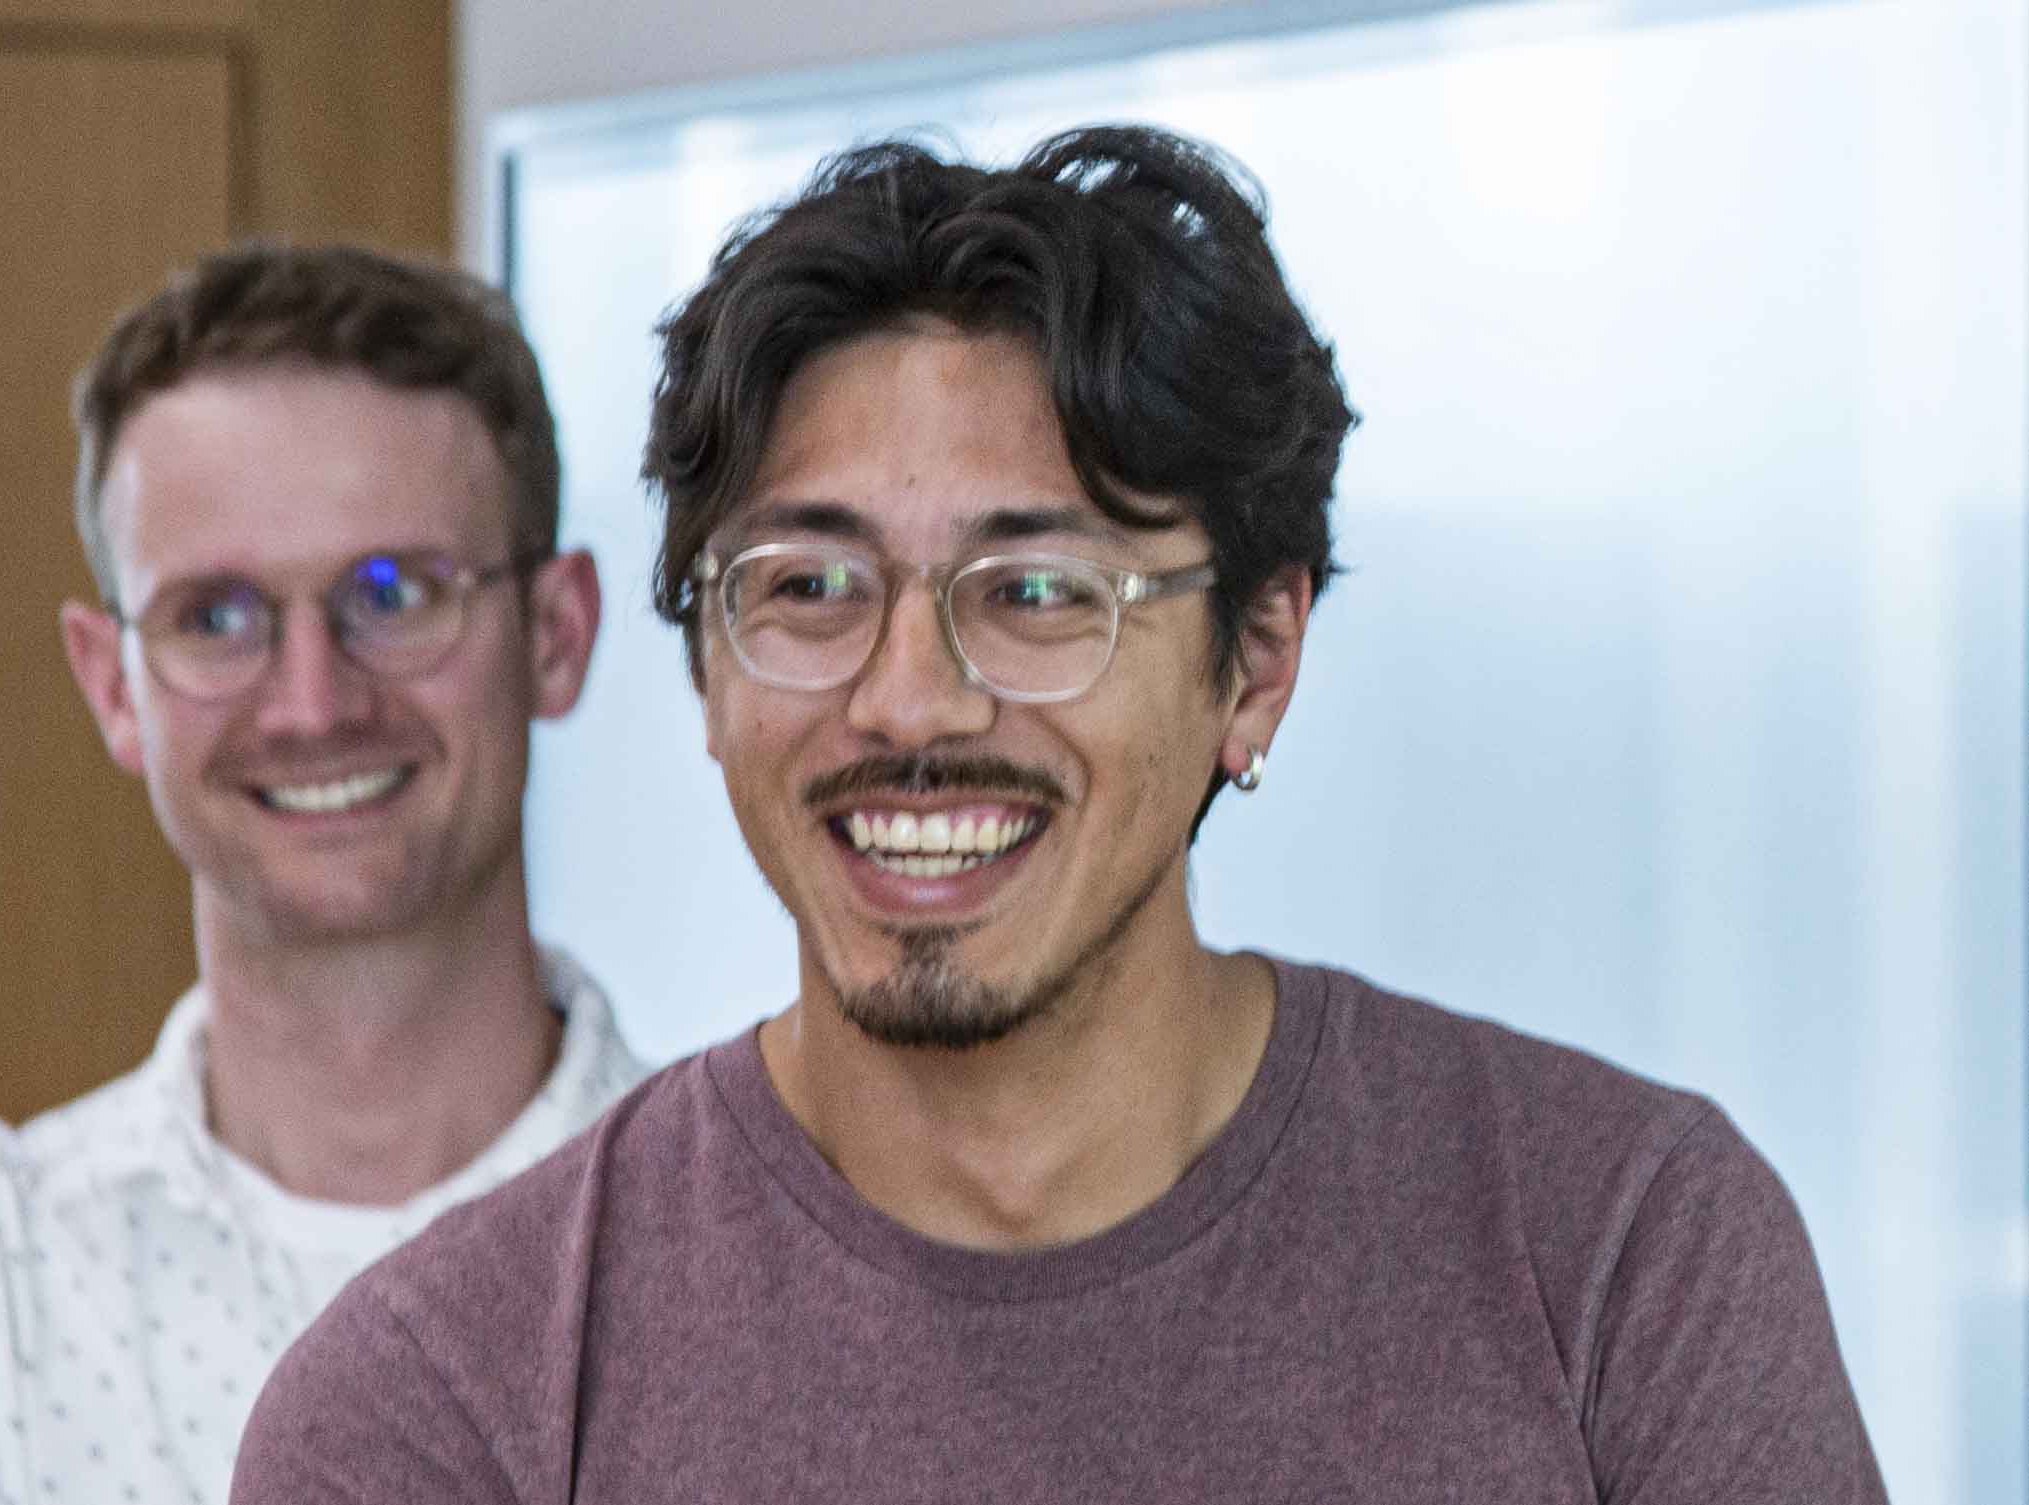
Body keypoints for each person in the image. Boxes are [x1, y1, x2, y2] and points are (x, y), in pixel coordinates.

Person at [230, 128, 1884, 1502]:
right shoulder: (437, 1411)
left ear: (1254, 662)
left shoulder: (1616, 1258)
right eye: (808, 588)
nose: (909, 702)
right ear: (708, 673)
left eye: (1034, 592)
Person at [0, 244, 648, 1505]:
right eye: (214, 617)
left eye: (395, 593)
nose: (315, 703)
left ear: (556, 633)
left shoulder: (793, 1254)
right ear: (112, 683)